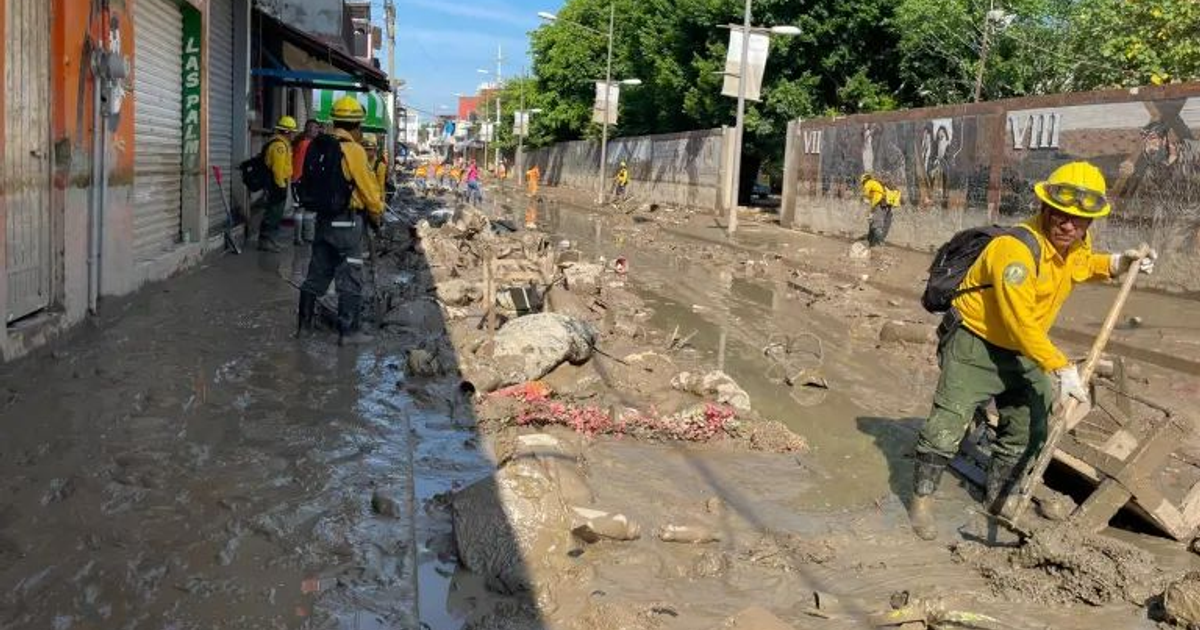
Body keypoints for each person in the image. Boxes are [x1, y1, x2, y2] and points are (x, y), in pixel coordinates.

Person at [907, 161, 1158, 541]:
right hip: (977, 342)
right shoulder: (1014, 250)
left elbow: (1082, 265)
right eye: (1061, 215)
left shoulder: (1073, 244)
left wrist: (1120, 263)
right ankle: (922, 501)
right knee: (946, 426)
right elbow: (1018, 321)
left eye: (1080, 220)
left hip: (1024, 349)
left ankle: (1000, 498)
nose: (1069, 225)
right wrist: (1061, 367)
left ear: (1090, 222)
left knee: (1029, 425)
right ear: (1045, 207)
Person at [296, 96, 385, 346]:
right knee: (350, 277)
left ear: (335, 120)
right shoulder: (354, 150)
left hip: (323, 221)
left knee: (316, 274)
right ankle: (348, 332)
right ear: (357, 125)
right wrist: (377, 215)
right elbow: (369, 192)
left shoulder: (319, 144)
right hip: (347, 225)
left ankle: (303, 328)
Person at [251, 116, 296, 251]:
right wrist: (281, 186)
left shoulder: (281, 143)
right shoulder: (279, 146)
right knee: (273, 213)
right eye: (292, 131)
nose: (294, 134)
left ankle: (270, 240)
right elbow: (277, 169)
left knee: (276, 213)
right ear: (287, 132)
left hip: (277, 183)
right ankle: (265, 241)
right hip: (276, 183)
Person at [291, 119, 322, 244]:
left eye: (316, 128)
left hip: (304, 180)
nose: (315, 130)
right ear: (308, 129)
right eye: (314, 128)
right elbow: (301, 164)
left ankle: (307, 236)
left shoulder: (307, 143)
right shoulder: (306, 144)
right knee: (301, 208)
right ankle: (299, 237)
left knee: (307, 208)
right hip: (301, 180)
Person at [860, 173, 900, 247]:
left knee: (876, 226)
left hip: (880, 204)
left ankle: (881, 244)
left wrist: (863, 202)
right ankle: (871, 241)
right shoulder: (880, 185)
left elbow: (865, 195)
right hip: (888, 207)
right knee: (879, 226)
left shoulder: (869, 183)